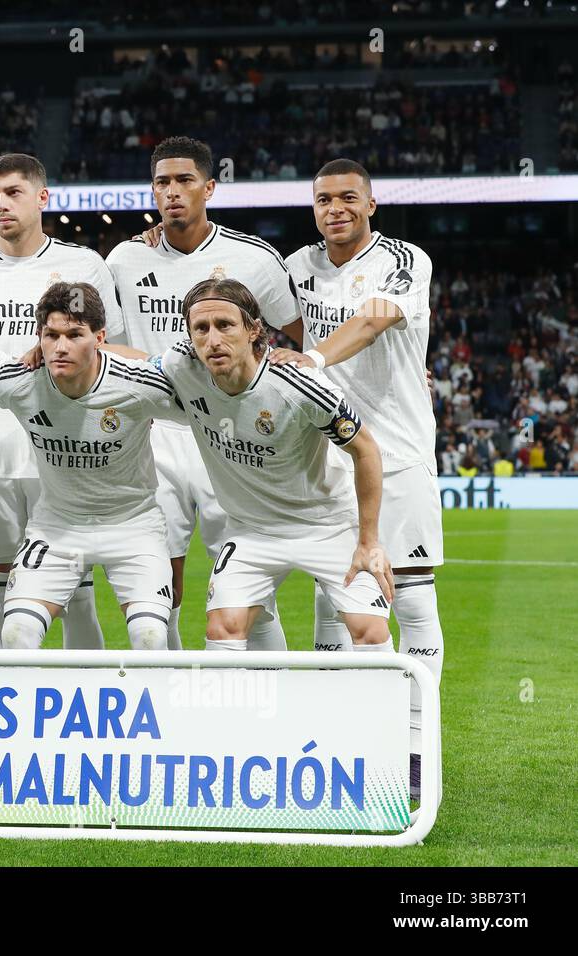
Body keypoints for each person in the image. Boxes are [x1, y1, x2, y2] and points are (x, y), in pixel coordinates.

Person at [272, 158, 443, 798]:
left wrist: (311, 358)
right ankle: (336, 736)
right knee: (331, 594)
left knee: (415, 595)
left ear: (371, 204)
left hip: (396, 451)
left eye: (348, 197)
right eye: (323, 199)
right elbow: (243, 296)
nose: (335, 208)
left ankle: (417, 742)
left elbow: (372, 321)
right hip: (326, 453)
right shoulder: (295, 268)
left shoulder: (404, 259)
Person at [112, 278, 394, 652]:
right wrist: (61, 352)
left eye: (225, 326)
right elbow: (129, 361)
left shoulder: (297, 384)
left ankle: (389, 713)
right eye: (201, 328)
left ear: (254, 329)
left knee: (369, 631)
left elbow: (366, 450)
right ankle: (247, 710)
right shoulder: (183, 365)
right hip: (252, 532)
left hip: (326, 525)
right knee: (222, 628)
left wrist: (369, 541)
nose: (212, 340)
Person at [108, 136, 302, 652]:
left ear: (209, 187)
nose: (172, 192)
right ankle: (173, 708)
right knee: (160, 587)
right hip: (153, 436)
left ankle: (269, 699)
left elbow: (305, 338)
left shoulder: (253, 257)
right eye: (162, 183)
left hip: (232, 435)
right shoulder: (125, 259)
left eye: (184, 181)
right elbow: (107, 347)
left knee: (247, 588)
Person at [0, 152, 124, 650]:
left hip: (65, 450)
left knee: (74, 591)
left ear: (42, 197)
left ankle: (80, 704)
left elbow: (108, 353)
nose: (2, 205)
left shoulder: (83, 265)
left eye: (13, 193)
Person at [0, 281, 180, 651]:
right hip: (56, 527)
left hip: (133, 526)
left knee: (151, 637)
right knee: (15, 634)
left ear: (100, 337)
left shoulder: (139, 384)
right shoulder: (18, 381)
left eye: (75, 335)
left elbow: (205, 403)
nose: (60, 347)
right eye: (51, 335)